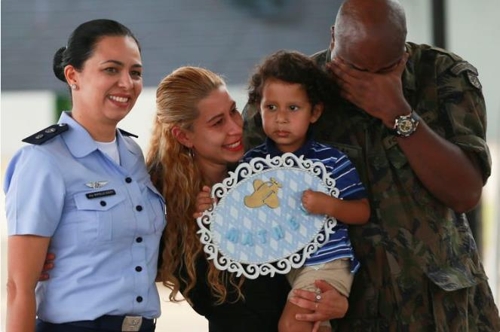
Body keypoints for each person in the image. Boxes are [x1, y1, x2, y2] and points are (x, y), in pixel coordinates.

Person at [242, 0, 500, 330]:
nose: (367, 83)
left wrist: (398, 113)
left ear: (403, 49)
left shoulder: (443, 77)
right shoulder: (293, 93)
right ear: (333, 39)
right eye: (354, 70)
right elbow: (246, 188)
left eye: (383, 70)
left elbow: (465, 194)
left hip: (439, 308)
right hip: (343, 303)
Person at [146, 66, 350, 332]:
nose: (235, 127)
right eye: (217, 122)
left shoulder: (264, 172)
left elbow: (328, 250)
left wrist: (337, 302)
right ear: (184, 136)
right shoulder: (154, 199)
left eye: (233, 111)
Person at [4, 19, 166, 332]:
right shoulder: (43, 159)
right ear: (73, 75)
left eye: (135, 72)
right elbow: (18, 288)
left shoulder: (133, 153)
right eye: (110, 69)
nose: (127, 82)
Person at [241, 50, 370, 332]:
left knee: (293, 325)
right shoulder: (252, 163)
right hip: (281, 265)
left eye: (293, 108)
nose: (281, 118)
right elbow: (241, 208)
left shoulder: (332, 160)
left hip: (326, 262)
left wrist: (330, 205)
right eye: (271, 107)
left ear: (315, 112)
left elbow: (362, 210)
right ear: (258, 108)